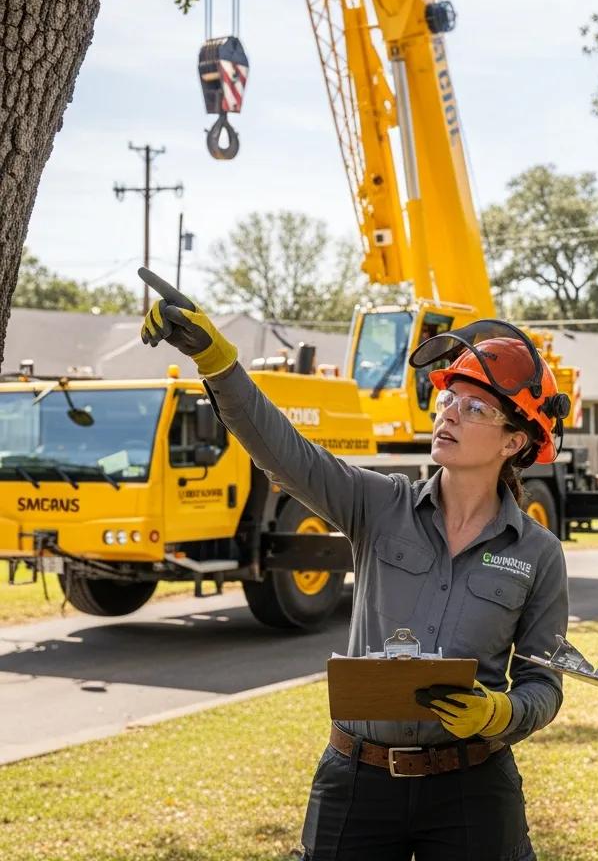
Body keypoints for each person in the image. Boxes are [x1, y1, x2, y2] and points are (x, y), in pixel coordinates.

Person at [140, 290, 569, 861]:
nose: (449, 415)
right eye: (449, 400)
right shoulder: (378, 505)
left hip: (474, 784)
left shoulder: (538, 552)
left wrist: (502, 712)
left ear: (515, 441)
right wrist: (217, 361)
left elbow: (546, 683)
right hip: (358, 780)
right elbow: (284, 452)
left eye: (475, 409)